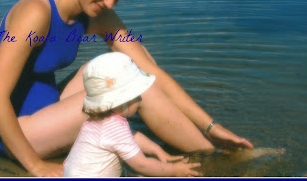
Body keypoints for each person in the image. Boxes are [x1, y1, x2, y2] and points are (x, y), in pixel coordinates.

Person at [0, 0, 253, 177]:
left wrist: (211, 125)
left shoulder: (94, 14)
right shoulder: (35, 13)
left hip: (49, 112)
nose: (110, 3)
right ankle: (215, 161)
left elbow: (150, 72)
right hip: (17, 134)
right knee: (133, 91)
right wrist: (36, 165)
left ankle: (210, 145)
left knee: (134, 67)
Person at [63, 52, 202, 177]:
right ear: (122, 101)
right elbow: (142, 165)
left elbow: (132, 136)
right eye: (136, 97)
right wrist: (174, 170)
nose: (140, 99)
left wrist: (158, 151)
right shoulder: (114, 128)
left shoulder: (98, 121)